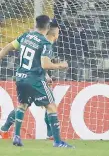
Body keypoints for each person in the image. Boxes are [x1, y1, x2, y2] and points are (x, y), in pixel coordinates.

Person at [0, 15, 72, 148]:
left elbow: (8, 47)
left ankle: (15, 135)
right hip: (35, 80)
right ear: (48, 27)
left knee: (22, 105)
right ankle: (57, 141)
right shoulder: (44, 43)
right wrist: (61, 65)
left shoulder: (26, 36)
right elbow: (44, 64)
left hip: (21, 77)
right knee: (51, 106)